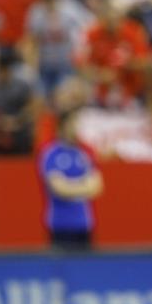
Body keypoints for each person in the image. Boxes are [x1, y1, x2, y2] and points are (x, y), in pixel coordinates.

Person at [36, 105, 102, 251]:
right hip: (60, 225)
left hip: (84, 224)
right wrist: (83, 186)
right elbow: (58, 188)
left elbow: (97, 186)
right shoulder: (51, 154)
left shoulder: (84, 153)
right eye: (73, 123)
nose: (76, 128)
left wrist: (71, 186)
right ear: (62, 126)